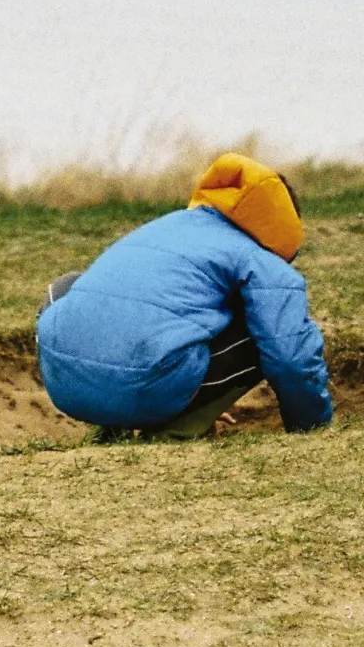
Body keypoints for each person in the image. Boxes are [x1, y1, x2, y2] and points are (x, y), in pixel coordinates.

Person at [36, 152, 332, 438]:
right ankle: (180, 427)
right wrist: (312, 427)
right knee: (271, 326)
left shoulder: (167, 226)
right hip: (145, 389)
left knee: (68, 286)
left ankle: (114, 427)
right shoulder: (257, 258)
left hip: (66, 387)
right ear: (284, 221)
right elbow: (290, 357)